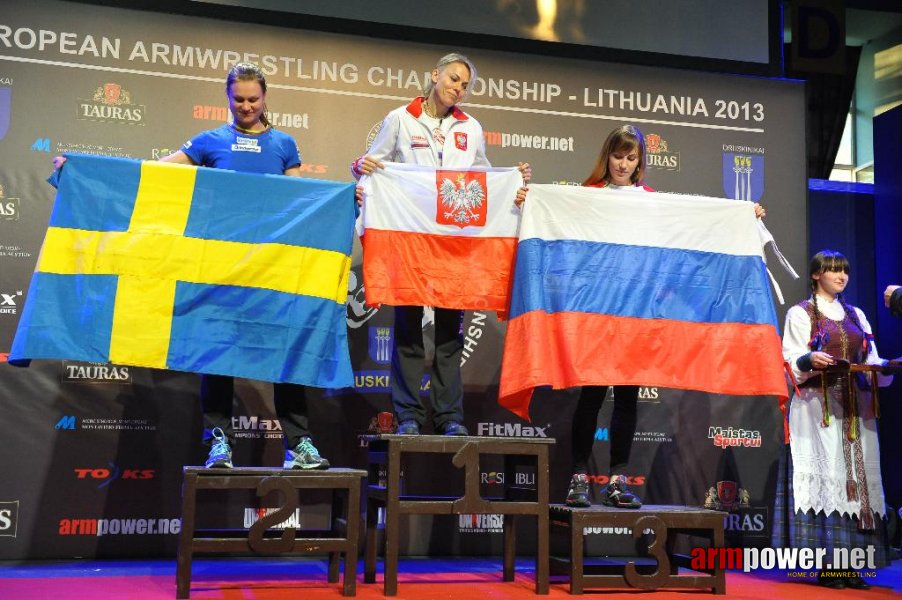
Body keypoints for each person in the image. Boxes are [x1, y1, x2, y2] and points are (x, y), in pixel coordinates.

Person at [555, 125, 766, 509]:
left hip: (637, 314)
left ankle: (618, 480)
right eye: (617, 156)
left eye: (630, 158)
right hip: (596, 314)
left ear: (640, 162)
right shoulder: (587, 195)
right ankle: (579, 479)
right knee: (590, 397)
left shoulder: (651, 200)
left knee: (626, 399)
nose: (622, 164)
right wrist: (524, 196)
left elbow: (696, 221)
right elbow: (552, 216)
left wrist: (741, 215)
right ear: (607, 156)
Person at [159, 62, 329, 471]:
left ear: (265, 97)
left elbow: (299, 202)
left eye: (254, 98)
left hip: (273, 268)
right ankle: (220, 443)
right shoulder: (208, 141)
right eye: (239, 99)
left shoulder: (285, 144)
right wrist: (83, 167)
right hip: (222, 267)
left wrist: (344, 199)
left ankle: (299, 445)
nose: (247, 106)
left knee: (286, 350)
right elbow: (157, 171)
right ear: (227, 97)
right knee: (218, 352)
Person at [351, 52, 530, 436]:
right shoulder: (400, 118)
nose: (458, 88)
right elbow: (373, 164)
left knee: (450, 334)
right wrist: (360, 170)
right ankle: (409, 416)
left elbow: (482, 177)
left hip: (454, 243)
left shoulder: (472, 128)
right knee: (408, 330)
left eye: (465, 85)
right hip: (410, 236)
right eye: (453, 79)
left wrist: (511, 186)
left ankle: (449, 417)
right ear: (435, 75)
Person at [773, 250, 894, 589]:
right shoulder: (800, 314)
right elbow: (790, 358)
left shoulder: (856, 314)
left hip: (857, 409)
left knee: (855, 482)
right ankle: (828, 566)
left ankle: (852, 565)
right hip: (818, 410)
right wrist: (810, 359)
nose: (841, 276)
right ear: (816, 275)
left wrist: (885, 367)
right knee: (828, 477)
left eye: (844, 271)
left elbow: (870, 355)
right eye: (833, 270)